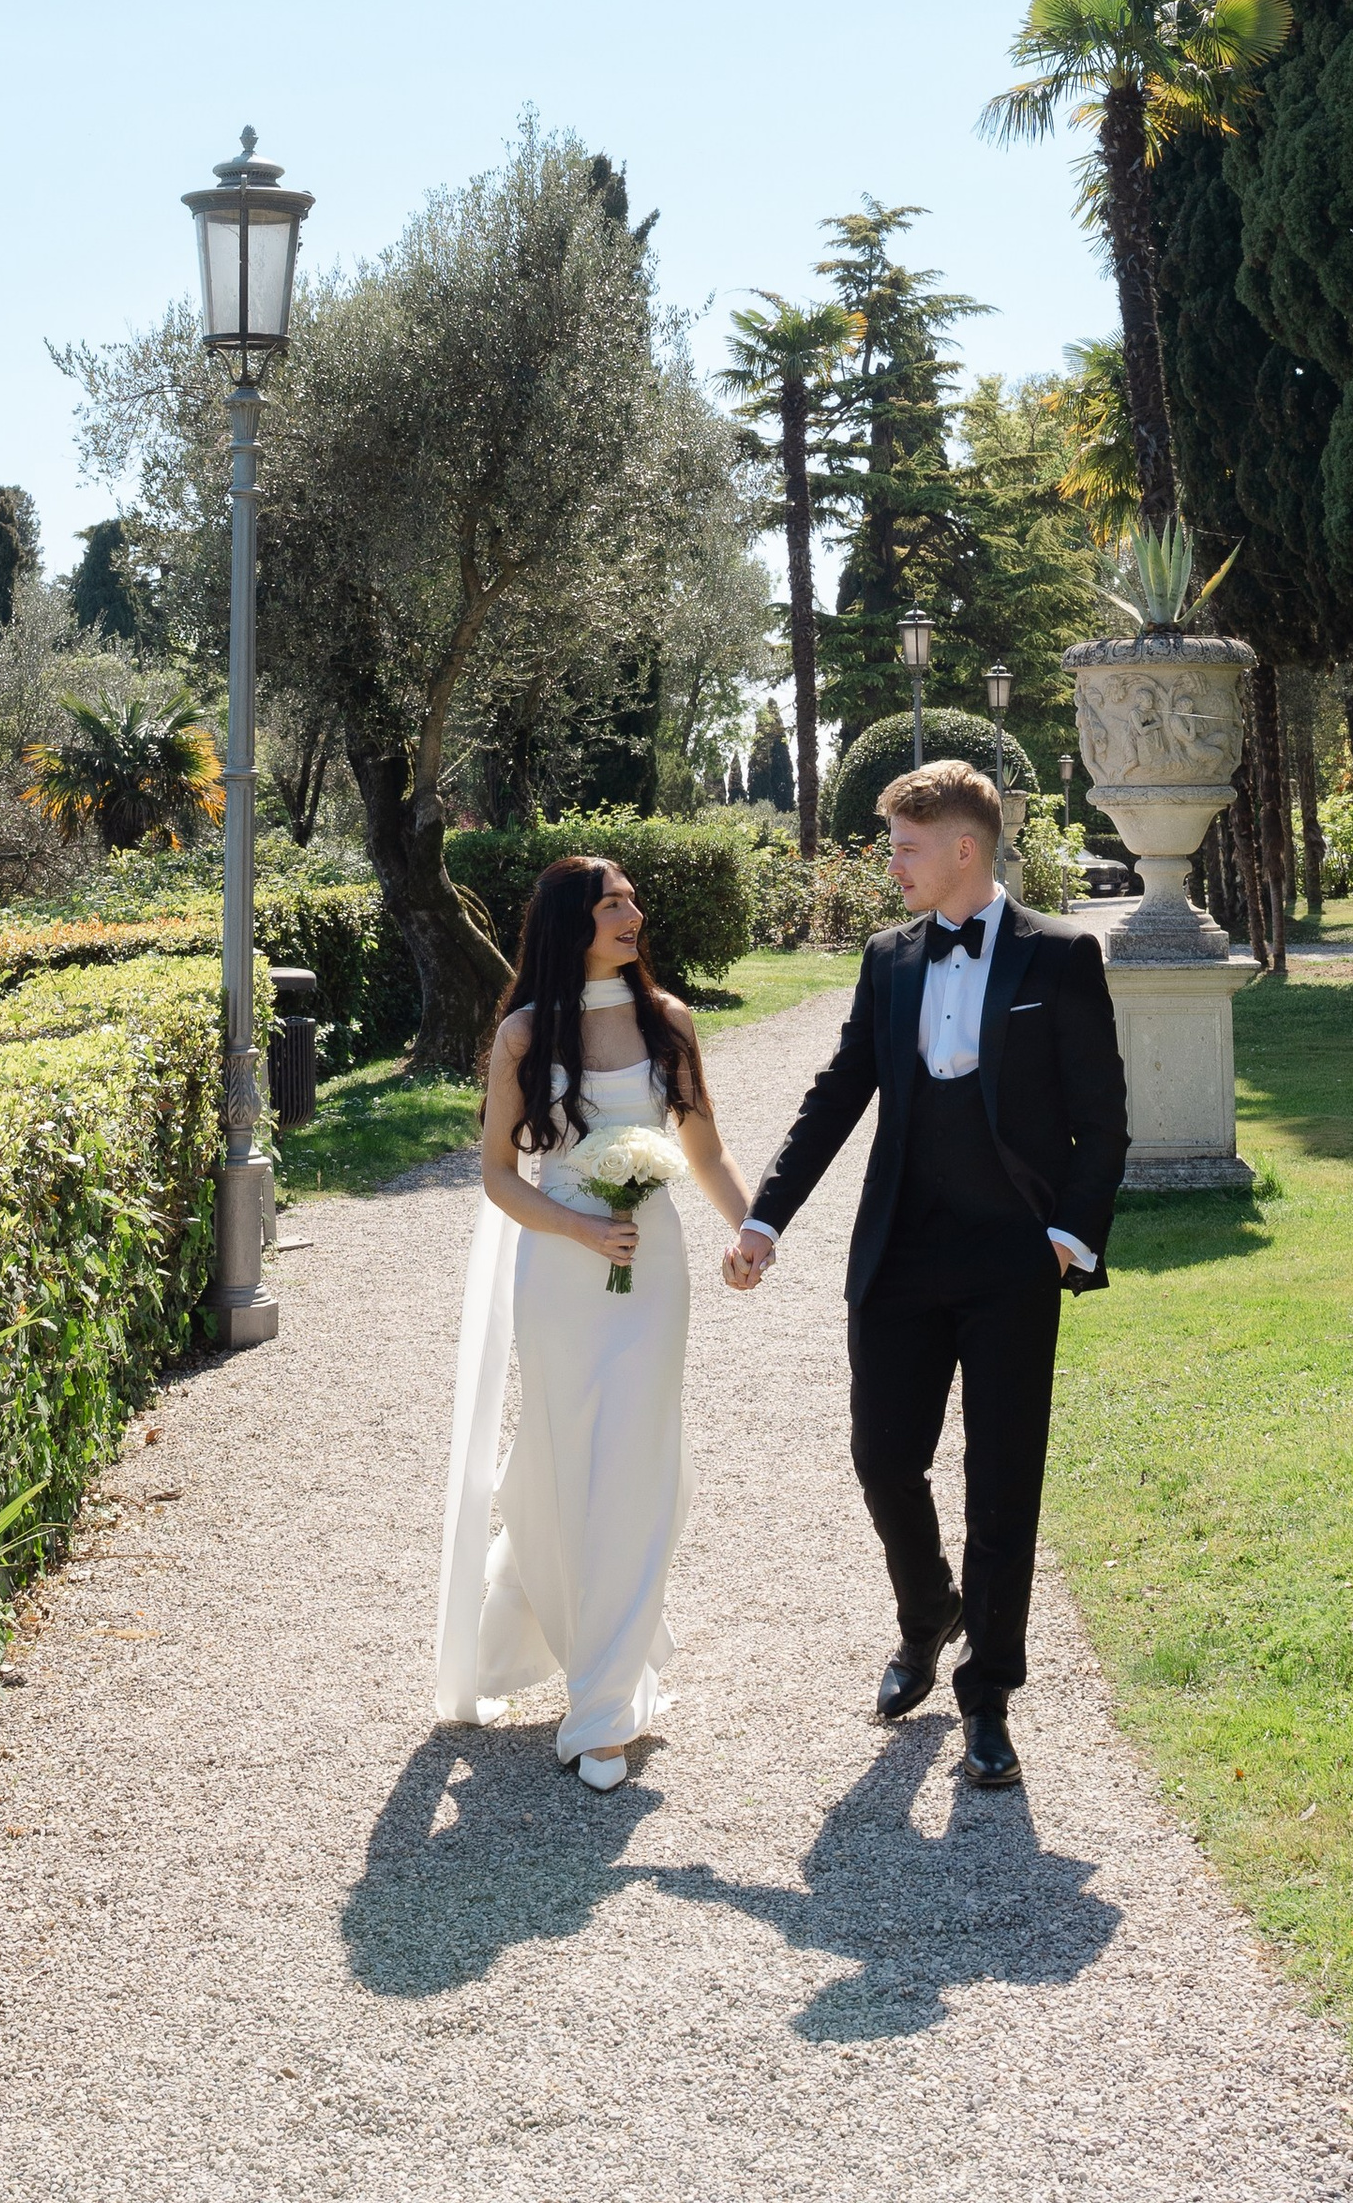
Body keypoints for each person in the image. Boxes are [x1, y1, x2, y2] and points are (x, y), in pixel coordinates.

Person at [728, 759, 1127, 1792]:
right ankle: (927, 1611)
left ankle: (988, 1695)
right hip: (899, 1250)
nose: (889, 865)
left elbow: (1104, 1120)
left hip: (1011, 1262)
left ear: (962, 849)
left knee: (1003, 1484)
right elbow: (836, 1096)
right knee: (881, 1458)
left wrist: (1067, 1240)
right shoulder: (889, 958)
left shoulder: (1060, 958)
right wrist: (765, 1216)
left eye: (904, 847)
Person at [433, 854, 756, 1791]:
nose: (633, 914)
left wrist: (751, 1230)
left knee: (637, 1464)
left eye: (632, 900)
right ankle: (548, 1617)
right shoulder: (527, 1035)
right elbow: (496, 1173)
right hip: (563, 1273)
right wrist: (577, 1226)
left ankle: (604, 1707)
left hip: (652, 1275)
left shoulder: (670, 1023)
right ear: (572, 921)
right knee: (561, 1461)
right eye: (613, 903)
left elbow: (705, 1150)